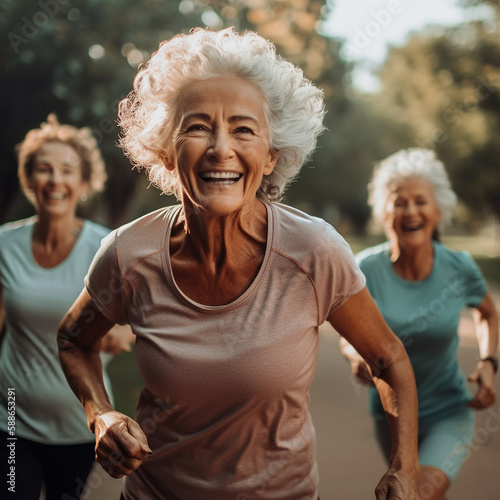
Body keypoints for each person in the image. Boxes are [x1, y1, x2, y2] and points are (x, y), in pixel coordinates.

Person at [57, 28, 419, 500]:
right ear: (167, 150)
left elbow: (387, 359)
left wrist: (405, 469)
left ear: (270, 156)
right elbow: (72, 338)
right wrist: (100, 412)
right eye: (198, 126)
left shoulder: (313, 252)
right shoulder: (128, 255)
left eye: (243, 129)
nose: (220, 148)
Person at [340, 148, 499, 500]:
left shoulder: (459, 268)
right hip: (392, 417)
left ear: (437, 210)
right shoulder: (364, 270)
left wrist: (489, 363)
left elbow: (488, 312)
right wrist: (355, 356)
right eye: (399, 202)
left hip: (449, 411)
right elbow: (349, 334)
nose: (410, 211)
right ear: (384, 212)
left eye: (420, 201)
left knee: (418, 494)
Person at [0, 115, 134, 500]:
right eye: (44, 169)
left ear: (84, 182)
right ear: (30, 179)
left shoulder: (107, 249)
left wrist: (122, 333)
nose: (55, 180)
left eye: (67, 170)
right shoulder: (5, 246)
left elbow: (137, 321)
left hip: (80, 423)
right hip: (11, 419)